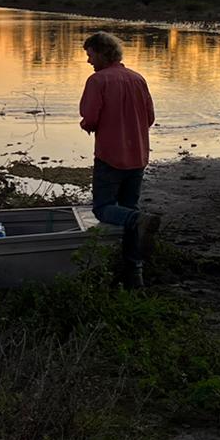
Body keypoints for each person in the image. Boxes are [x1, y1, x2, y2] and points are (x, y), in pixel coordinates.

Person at [79, 31, 161, 274]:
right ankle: (134, 269)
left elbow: (91, 118)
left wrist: (86, 125)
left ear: (103, 53)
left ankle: (140, 221)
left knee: (102, 208)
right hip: (138, 156)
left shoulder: (98, 81)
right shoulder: (137, 78)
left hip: (110, 157)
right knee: (128, 207)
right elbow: (150, 118)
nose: (89, 61)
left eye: (90, 54)